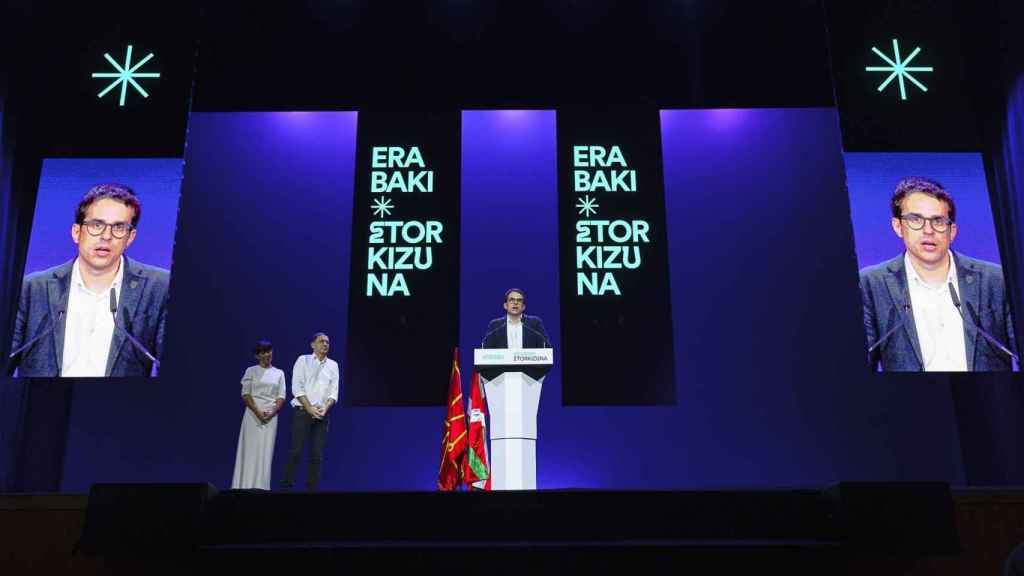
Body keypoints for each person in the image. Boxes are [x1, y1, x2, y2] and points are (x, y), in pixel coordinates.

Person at [10, 183, 170, 377]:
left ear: (130, 238)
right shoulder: (32, 289)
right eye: (96, 225)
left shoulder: (159, 287)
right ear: (76, 232)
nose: (106, 236)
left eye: (119, 227)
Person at [860, 177, 1016, 371]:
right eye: (915, 220)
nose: (928, 230)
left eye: (938, 221)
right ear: (898, 226)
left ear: (952, 231)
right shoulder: (871, 284)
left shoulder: (997, 280)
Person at [281, 332, 340, 491]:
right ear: (313, 344)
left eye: (328, 342)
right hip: (303, 412)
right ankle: (286, 488)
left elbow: (334, 392)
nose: (325, 344)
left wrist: (325, 407)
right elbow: (297, 387)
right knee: (296, 451)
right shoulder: (303, 360)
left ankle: (312, 490)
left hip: (322, 415)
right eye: (322, 341)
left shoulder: (333, 365)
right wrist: (309, 408)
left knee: (316, 455)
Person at [231, 339, 286, 490]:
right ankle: (242, 486)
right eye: (264, 352)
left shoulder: (279, 373)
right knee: (248, 451)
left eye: (269, 351)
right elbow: (246, 394)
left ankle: (261, 488)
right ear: (257, 355)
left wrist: (271, 412)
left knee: (265, 452)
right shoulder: (251, 371)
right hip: (252, 415)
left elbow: (281, 397)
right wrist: (257, 411)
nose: (268, 354)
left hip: (270, 417)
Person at [481, 289, 552, 380]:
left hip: (530, 379)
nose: (515, 303)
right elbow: (486, 352)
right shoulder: (495, 325)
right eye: (511, 300)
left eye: (519, 300)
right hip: (499, 379)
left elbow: (546, 350)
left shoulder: (534, 324)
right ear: (505, 305)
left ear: (523, 307)